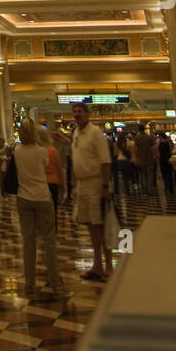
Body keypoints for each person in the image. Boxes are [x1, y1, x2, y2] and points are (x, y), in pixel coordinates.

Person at [13, 119, 64, 298]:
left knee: (28, 242)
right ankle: (55, 281)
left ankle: (29, 283)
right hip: (42, 197)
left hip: (23, 197)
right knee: (49, 241)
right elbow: (44, 165)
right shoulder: (42, 151)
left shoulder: (17, 151)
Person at [71, 102, 112, 281]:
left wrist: (105, 186)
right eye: (74, 112)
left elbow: (105, 161)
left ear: (87, 114)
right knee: (90, 225)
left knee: (101, 225)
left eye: (80, 111)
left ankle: (109, 266)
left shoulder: (95, 132)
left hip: (96, 184)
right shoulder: (76, 133)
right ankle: (97, 265)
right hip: (82, 185)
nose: (77, 114)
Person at [42, 131, 66, 228]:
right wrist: (62, 185)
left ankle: (45, 228)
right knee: (53, 207)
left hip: (42, 183)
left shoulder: (40, 150)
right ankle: (53, 228)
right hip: (53, 182)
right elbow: (59, 168)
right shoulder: (52, 150)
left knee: (45, 208)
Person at [133, 121, 156, 198]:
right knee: (150, 175)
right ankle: (150, 191)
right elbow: (153, 148)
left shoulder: (136, 138)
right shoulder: (148, 137)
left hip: (141, 158)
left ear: (139, 130)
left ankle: (145, 191)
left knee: (143, 175)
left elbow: (135, 149)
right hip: (149, 158)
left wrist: (136, 157)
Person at [112, 130, 133, 198]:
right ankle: (128, 189)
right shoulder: (127, 143)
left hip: (120, 161)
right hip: (127, 161)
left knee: (123, 176)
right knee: (128, 176)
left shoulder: (116, 144)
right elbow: (130, 153)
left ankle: (125, 189)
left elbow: (115, 154)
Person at [157, 130, 175, 197]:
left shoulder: (160, 143)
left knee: (165, 174)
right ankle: (170, 188)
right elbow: (171, 150)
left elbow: (158, 152)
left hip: (163, 160)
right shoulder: (168, 142)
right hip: (168, 159)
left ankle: (167, 187)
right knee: (169, 174)